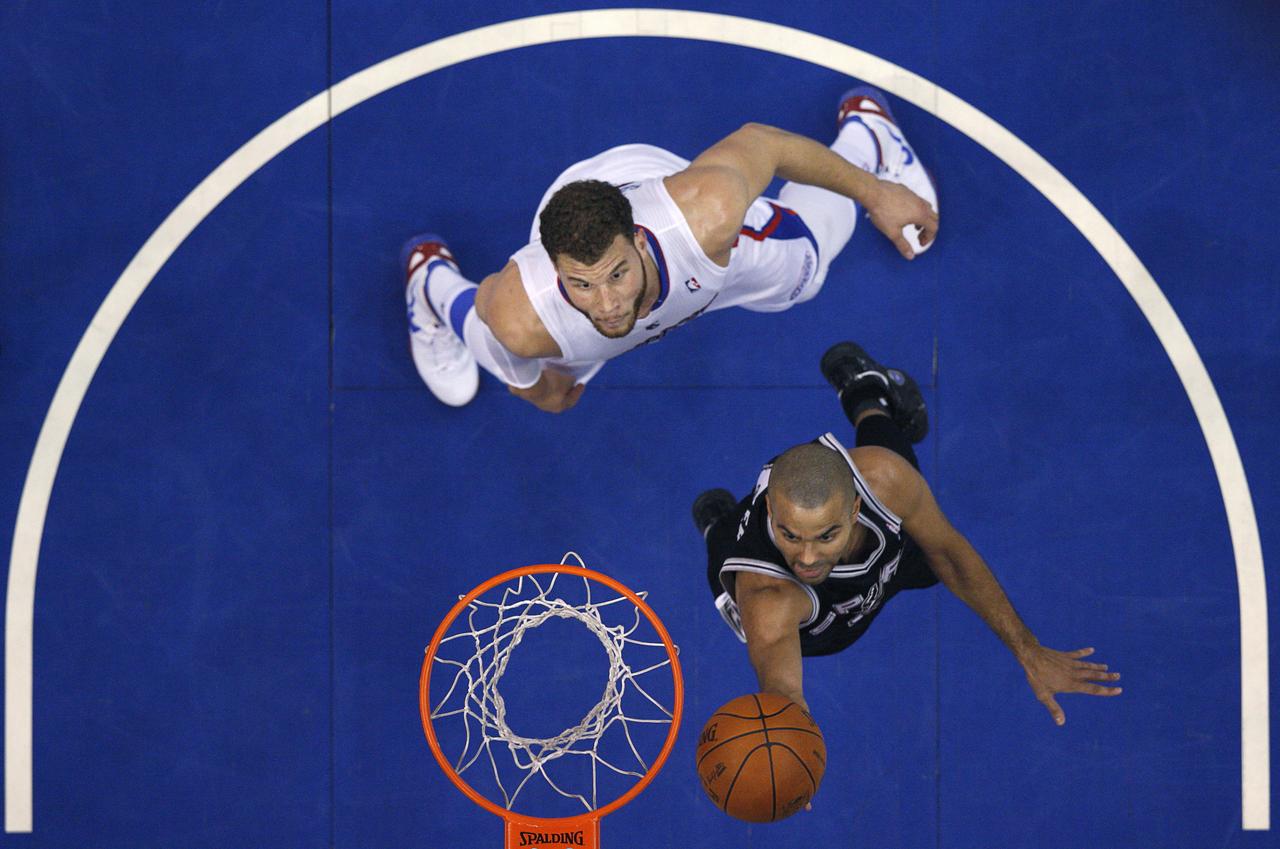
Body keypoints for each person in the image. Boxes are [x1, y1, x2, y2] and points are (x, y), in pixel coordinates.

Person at [401, 86, 939, 411]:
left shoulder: (707, 215)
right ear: (557, 272)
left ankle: (868, 137)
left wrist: (878, 194)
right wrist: (539, 390)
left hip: (673, 214)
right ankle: (428, 282)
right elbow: (506, 345)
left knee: (807, 268)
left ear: (637, 242)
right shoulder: (523, 317)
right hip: (563, 272)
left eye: (616, 275)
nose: (607, 303)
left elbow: (766, 145)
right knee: (508, 338)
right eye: (582, 285)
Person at [692, 341, 1122, 725]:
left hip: (883, 559)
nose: (805, 558)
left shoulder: (881, 480)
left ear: (856, 507)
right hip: (819, 626)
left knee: (920, 529)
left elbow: (950, 554)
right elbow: (784, 694)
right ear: (770, 509)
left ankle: (866, 391)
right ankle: (719, 522)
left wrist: (1028, 650)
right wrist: (791, 759)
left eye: (825, 535)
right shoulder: (767, 598)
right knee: (723, 556)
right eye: (790, 535)